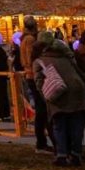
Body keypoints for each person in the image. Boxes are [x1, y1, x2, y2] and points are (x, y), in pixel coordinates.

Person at [34, 36, 85, 166]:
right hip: (77, 92)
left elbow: (39, 82)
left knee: (59, 125)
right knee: (76, 125)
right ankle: (76, 153)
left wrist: (46, 96)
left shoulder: (40, 61)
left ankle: (62, 154)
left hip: (58, 93)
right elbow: (80, 73)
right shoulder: (66, 58)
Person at [21, 15, 54, 154]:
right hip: (33, 75)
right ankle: (41, 142)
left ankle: (43, 141)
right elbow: (31, 58)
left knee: (42, 109)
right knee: (41, 110)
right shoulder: (30, 40)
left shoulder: (25, 39)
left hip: (32, 74)